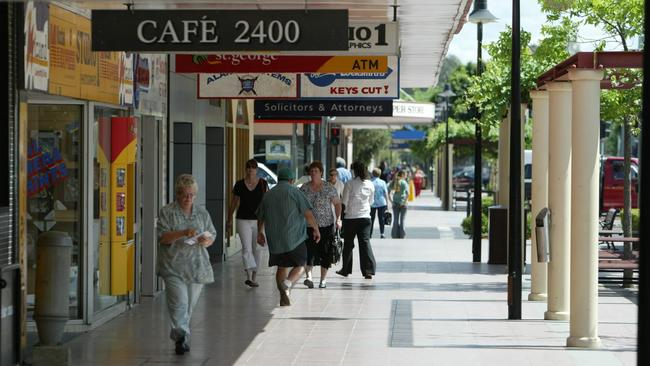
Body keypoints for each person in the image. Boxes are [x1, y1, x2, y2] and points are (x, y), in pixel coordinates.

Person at [157, 174, 216, 355]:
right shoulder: (167, 212)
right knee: (179, 303)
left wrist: (206, 241)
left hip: (197, 267)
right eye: (184, 194)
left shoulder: (202, 213)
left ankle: (181, 333)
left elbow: (212, 234)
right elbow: (163, 237)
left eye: (192, 195)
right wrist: (183, 232)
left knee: (189, 305)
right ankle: (181, 337)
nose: (188, 198)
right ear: (177, 194)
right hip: (173, 266)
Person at [256, 167, 320, 306]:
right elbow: (308, 214)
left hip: (275, 239)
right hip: (294, 237)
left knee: (281, 267)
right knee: (301, 264)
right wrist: (315, 229)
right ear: (291, 180)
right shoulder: (295, 192)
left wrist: (259, 232)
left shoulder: (268, 194)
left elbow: (260, 216)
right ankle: (288, 283)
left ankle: (283, 295)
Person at [300, 161, 342, 289]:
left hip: (326, 225)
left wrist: (338, 219)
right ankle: (309, 277)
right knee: (308, 251)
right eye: (311, 171)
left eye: (316, 171)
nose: (313, 174)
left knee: (326, 253)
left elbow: (337, 204)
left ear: (321, 173)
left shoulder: (329, 187)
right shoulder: (304, 188)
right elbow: (299, 206)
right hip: (309, 226)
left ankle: (323, 280)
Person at [227, 159, 268, 288]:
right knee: (246, 249)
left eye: (253, 167)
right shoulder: (239, 184)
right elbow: (233, 203)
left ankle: (255, 276)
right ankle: (249, 276)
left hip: (258, 221)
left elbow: (266, 204)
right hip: (242, 219)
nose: (251, 170)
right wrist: (229, 219)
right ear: (246, 169)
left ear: (257, 170)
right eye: (248, 167)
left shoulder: (262, 183)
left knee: (257, 249)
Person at [337, 161, 376, 279]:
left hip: (351, 218)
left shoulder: (349, 184)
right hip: (365, 218)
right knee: (365, 243)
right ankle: (368, 270)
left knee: (348, 244)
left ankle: (346, 269)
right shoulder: (370, 184)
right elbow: (371, 202)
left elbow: (344, 202)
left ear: (354, 171)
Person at [370, 168, 389, 239]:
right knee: (381, 218)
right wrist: (387, 204)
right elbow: (386, 194)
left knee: (371, 219)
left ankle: (370, 234)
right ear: (380, 174)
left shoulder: (370, 182)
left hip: (372, 203)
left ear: (372, 174)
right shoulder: (383, 182)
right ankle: (382, 233)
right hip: (382, 202)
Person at [389, 170, 409, 239]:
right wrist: (404, 202)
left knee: (395, 220)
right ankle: (402, 235)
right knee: (402, 220)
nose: (406, 176)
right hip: (403, 204)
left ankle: (394, 235)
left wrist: (391, 201)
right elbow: (407, 194)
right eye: (405, 175)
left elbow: (388, 191)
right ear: (403, 175)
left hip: (395, 203)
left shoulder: (394, 182)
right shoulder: (404, 182)